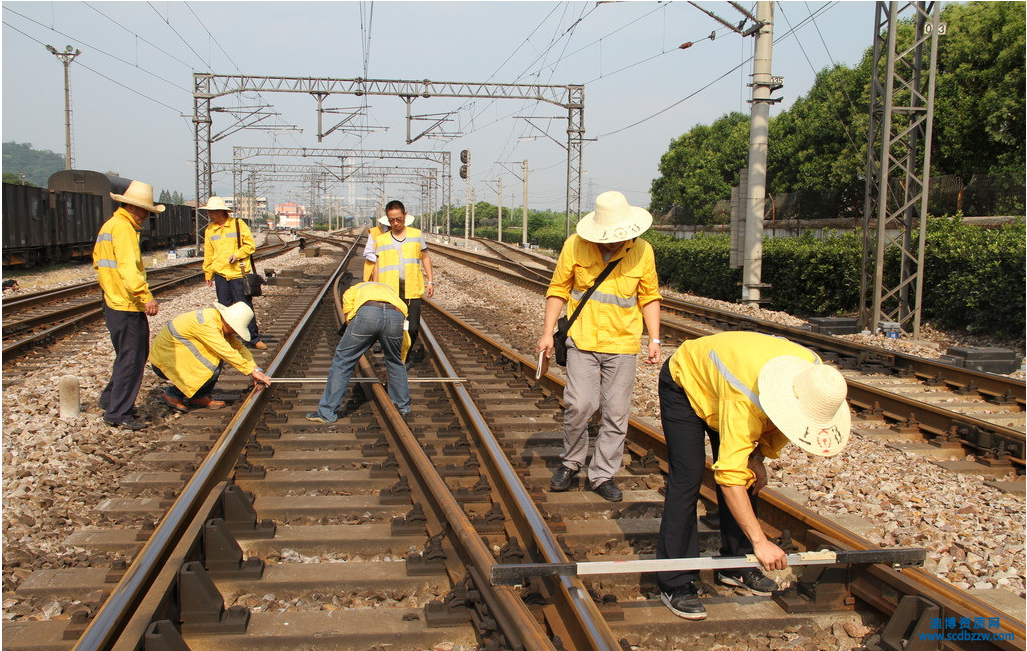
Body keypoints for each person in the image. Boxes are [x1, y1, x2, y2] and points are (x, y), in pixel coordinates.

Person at [656, 331, 851, 620]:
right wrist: (762, 541)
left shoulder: (814, 378)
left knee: (748, 473)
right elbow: (728, 477)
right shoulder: (744, 401)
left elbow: (786, 422)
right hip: (687, 382)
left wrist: (757, 457)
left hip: (732, 380)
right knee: (688, 477)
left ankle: (737, 563)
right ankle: (675, 580)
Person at [536, 191, 662, 503]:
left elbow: (649, 296)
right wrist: (547, 332)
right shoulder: (574, 246)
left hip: (622, 343)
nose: (613, 242)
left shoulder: (643, 251)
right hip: (582, 339)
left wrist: (655, 338)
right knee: (580, 404)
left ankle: (603, 474)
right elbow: (558, 289)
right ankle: (571, 461)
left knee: (616, 413)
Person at [93, 180, 163, 430]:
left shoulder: (109, 226)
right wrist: (146, 296)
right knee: (132, 358)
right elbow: (127, 268)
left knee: (129, 355)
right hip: (126, 303)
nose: (146, 216)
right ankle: (117, 413)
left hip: (113, 300)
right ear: (133, 208)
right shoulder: (122, 228)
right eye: (145, 211)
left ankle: (110, 399)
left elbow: (97, 262)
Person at [306, 281, 411, 423]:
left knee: (343, 361)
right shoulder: (390, 291)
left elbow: (348, 302)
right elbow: (405, 342)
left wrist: (351, 321)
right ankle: (402, 408)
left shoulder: (356, 287)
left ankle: (327, 412)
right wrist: (400, 358)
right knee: (395, 362)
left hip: (368, 312)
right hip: (396, 314)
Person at [149, 301, 272, 412]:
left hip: (176, 358)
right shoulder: (208, 325)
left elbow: (238, 348)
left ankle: (199, 397)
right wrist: (249, 370)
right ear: (230, 323)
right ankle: (173, 395)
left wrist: (255, 369)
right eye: (236, 329)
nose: (235, 333)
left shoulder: (217, 321)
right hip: (165, 362)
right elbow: (225, 350)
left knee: (214, 362)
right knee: (211, 366)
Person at [201, 196, 266, 350]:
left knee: (245, 307)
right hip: (221, 275)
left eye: (211, 212)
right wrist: (208, 272)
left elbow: (250, 246)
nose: (209, 215)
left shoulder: (238, 224)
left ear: (221, 211)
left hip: (238, 274)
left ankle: (253, 338)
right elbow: (208, 253)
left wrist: (237, 255)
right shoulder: (210, 230)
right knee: (224, 308)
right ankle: (227, 340)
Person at [371, 200, 434, 349]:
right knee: (391, 327)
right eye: (391, 220)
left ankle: (405, 354)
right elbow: (377, 265)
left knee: (412, 328)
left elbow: (425, 257)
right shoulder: (381, 239)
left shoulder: (416, 234)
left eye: (399, 219)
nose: (396, 223)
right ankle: (396, 359)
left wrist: (430, 281)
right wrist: (375, 288)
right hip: (389, 290)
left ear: (405, 216)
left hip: (412, 287)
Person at [362, 214, 408, 281]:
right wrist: (384, 261)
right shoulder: (375, 232)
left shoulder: (402, 232)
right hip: (378, 272)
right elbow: (368, 253)